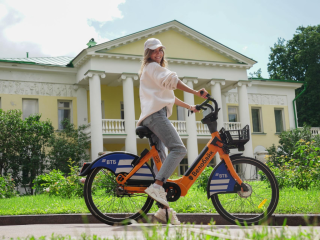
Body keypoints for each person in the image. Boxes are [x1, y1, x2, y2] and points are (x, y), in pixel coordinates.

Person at [137, 38, 209, 224]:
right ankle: (157, 185)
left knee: (160, 161)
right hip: (155, 116)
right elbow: (173, 81)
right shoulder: (153, 67)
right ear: (148, 54)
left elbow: (169, 96)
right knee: (179, 149)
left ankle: (164, 211)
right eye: (154, 51)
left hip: (153, 115)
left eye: (160, 50)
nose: (158, 54)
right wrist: (195, 92)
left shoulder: (152, 71)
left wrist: (190, 106)